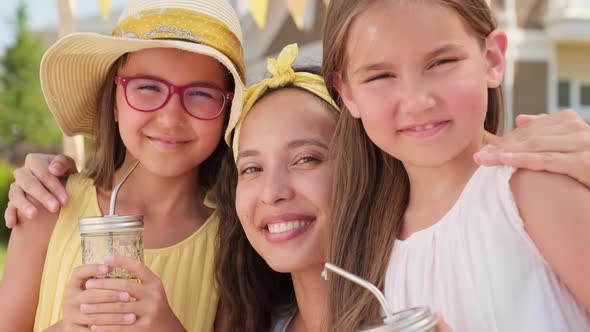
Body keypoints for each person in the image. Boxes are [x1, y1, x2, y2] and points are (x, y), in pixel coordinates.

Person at [322, 0, 590, 331]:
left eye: (442, 62)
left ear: (492, 59)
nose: (417, 101)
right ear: (347, 93)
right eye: (381, 75)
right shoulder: (371, 245)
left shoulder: (532, 187)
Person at [0, 0, 246, 331]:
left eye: (201, 94)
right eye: (147, 87)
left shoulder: (234, 241)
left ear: (227, 113)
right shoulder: (47, 206)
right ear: (114, 100)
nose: (171, 117)